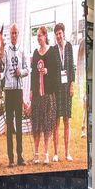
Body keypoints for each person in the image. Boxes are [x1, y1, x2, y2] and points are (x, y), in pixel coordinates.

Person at [29, 25, 60, 164]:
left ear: (45, 36)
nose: (38, 38)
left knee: (47, 125)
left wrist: (48, 71)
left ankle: (46, 153)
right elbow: (33, 74)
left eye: (40, 35)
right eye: (37, 36)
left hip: (48, 94)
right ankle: (36, 154)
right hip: (37, 95)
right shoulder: (35, 53)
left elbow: (56, 71)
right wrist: (31, 90)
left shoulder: (52, 51)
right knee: (37, 125)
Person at [0, 24, 28, 167]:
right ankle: (10, 158)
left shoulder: (22, 50)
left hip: (18, 91)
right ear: (9, 34)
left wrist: (21, 72)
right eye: (12, 33)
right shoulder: (5, 51)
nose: (14, 35)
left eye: (16, 32)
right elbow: (2, 70)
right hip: (8, 91)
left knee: (19, 124)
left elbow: (27, 69)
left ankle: (20, 156)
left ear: (19, 34)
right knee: (10, 125)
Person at [53, 23, 76, 162]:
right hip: (57, 89)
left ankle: (67, 153)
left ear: (63, 33)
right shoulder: (54, 49)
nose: (58, 36)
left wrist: (72, 85)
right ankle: (56, 153)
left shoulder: (69, 47)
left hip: (67, 88)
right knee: (56, 122)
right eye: (56, 34)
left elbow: (71, 66)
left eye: (60, 33)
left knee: (66, 120)